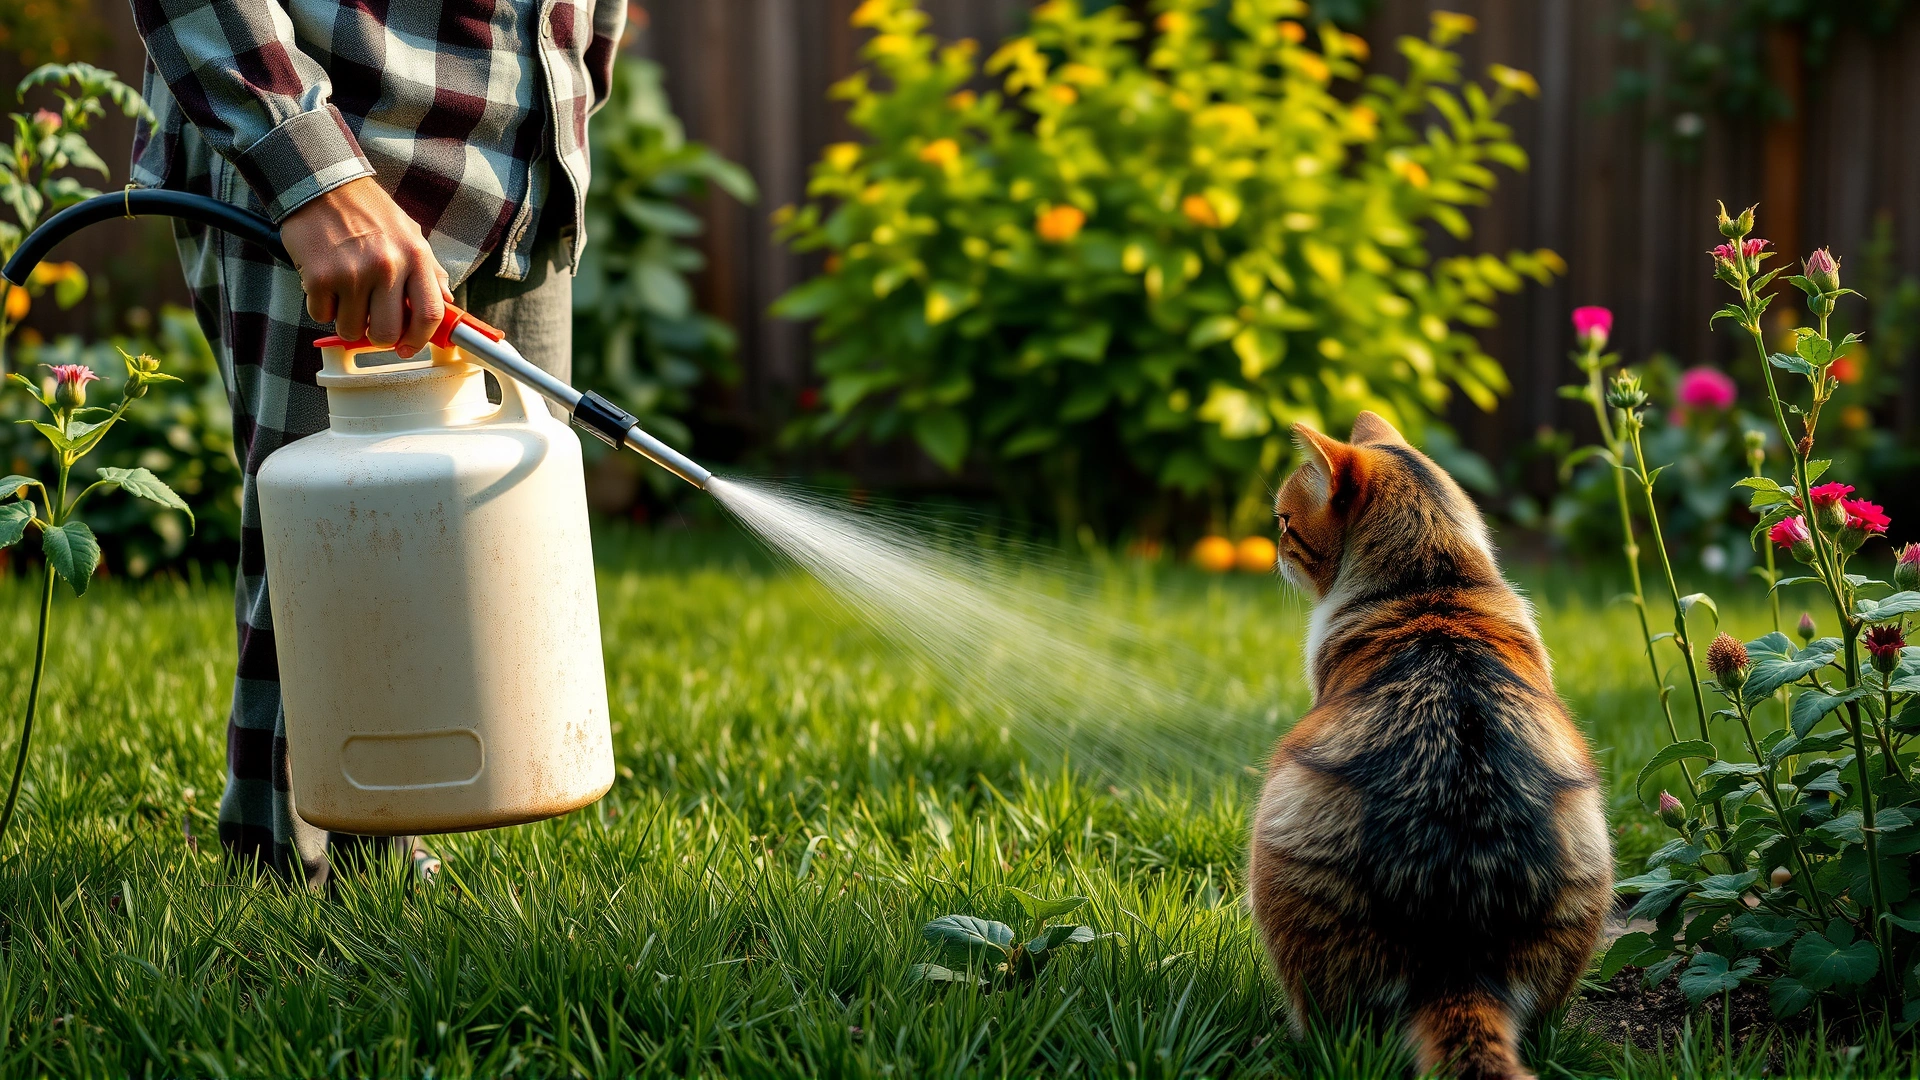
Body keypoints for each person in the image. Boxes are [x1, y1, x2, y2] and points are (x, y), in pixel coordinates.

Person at [128, 0, 626, 888]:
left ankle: (386, 863)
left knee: (481, 533)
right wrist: (310, 173)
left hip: (528, 138)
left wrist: (576, 76)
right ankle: (291, 899)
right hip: (337, 127)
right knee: (329, 540)